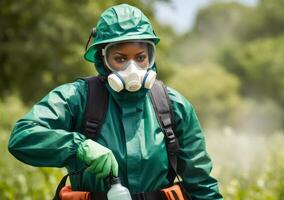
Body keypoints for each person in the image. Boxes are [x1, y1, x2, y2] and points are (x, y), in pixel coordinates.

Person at [8, 3, 223, 200]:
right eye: (120, 58)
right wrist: (78, 147)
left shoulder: (173, 106)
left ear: (151, 56)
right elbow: (22, 137)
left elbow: (202, 185)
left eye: (140, 58)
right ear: (103, 59)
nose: (133, 69)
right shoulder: (78, 98)